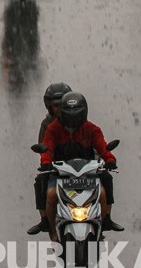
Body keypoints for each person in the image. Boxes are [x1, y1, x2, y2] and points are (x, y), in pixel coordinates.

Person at [40, 92, 123, 242]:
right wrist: (45, 162)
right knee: (50, 193)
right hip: (60, 174)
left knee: (103, 191)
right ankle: (52, 230)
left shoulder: (92, 129)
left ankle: (106, 220)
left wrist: (110, 159)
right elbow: (47, 148)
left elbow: (103, 147)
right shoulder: (52, 129)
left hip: (88, 174)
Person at [27, 82, 72, 235]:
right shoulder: (47, 124)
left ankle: (104, 218)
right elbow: (43, 147)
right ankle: (45, 220)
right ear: (50, 106)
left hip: (82, 167)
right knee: (40, 181)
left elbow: (94, 142)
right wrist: (47, 162)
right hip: (56, 168)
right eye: (55, 105)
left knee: (103, 181)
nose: (59, 108)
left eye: (62, 104)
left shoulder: (79, 120)